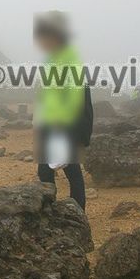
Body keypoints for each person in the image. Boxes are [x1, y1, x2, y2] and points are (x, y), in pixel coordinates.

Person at [33, 11, 87, 209]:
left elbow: (74, 95)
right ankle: (50, 208)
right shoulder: (52, 58)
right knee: (46, 171)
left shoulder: (69, 57)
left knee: (70, 170)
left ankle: (78, 211)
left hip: (63, 123)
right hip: (50, 121)